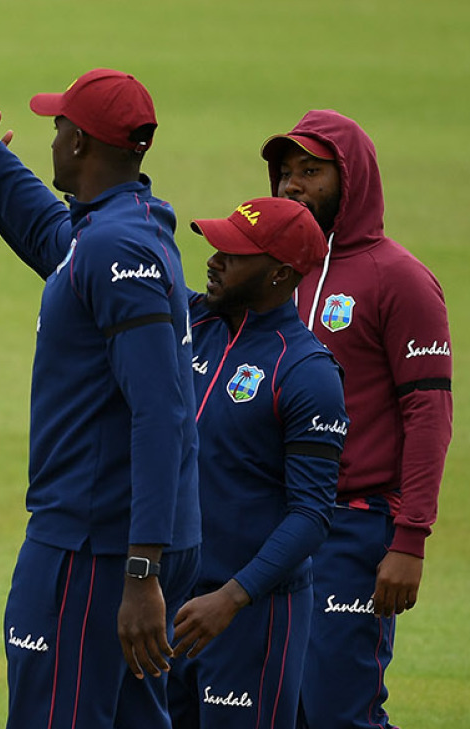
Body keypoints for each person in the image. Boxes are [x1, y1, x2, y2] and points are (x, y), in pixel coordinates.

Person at [0, 14, 201, 729]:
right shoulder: (120, 227)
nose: (49, 136)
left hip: (92, 547)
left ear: (79, 143)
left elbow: (161, 412)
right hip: (120, 540)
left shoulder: (115, 249)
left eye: (57, 125)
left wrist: (141, 571)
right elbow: (49, 229)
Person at [260, 111, 453, 729]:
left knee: (337, 713)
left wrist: (410, 540)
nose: (292, 185)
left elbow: (429, 415)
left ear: (351, 179)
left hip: (353, 530)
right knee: (268, 709)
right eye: (285, 172)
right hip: (267, 524)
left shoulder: (400, 279)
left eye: (310, 171)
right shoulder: (271, 270)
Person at [167, 196, 347, 728]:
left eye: (233, 254)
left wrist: (232, 598)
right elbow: (65, 253)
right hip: (169, 602)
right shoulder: (193, 322)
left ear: (280, 274)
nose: (213, 260)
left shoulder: (307, 371)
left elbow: (311, 515)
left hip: (249, 615)